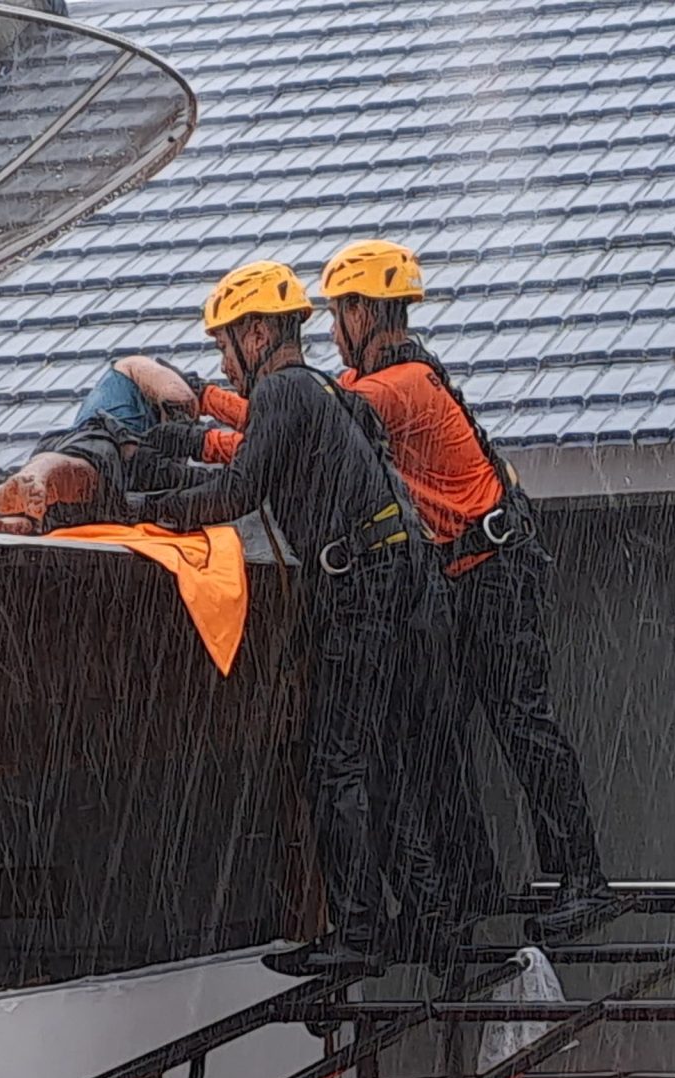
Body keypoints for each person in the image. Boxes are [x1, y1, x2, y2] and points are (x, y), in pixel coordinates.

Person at [177, 241, 614, 942]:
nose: (331, 334)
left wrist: (194, 410)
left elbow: (288, 429)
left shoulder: (395, 386)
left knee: (521, 727)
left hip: (494, 572)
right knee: (439, 742)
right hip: (457, 575)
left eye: (338, 315)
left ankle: (584, 878)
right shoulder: (378, 380)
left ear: (361, 311)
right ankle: (471, 887)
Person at [115, 260, 457, 976]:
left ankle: (360, 932)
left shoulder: (283, 391)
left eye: (222, 346)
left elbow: (238, 491)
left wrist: (143, 509)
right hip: (390, 584)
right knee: (379, 764)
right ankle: (430, 926)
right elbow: (249, 466)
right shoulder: (315, 392)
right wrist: (175, 459)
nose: (222, 362)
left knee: (333, 767)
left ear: (257, 331)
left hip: (362, 588)